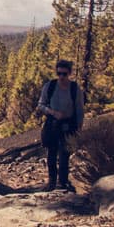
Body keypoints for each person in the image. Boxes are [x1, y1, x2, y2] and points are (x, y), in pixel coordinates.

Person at [37, 59, 84, 192]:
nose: (61, 77)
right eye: (59, 73)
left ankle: (63, 183)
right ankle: (52, 182)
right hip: (52, 124)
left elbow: (79, 109)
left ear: (69, 73)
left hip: (68, 125)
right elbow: (41, 104)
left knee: (65, 154)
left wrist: (79, 127)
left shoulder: (75, 89)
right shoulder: (50, 86)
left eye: (64, 74)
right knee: (51, 154)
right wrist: (52, 112)